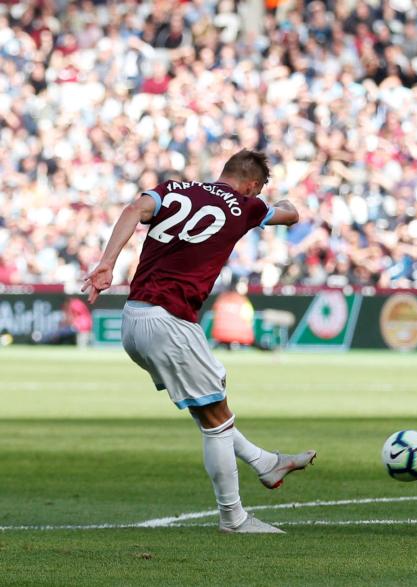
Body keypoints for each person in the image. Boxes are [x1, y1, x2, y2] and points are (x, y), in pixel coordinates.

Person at [82, 149, 316, 534]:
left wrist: (107, 262)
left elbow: (131, 211)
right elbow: (290, 214)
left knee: (209, 410)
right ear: (253, 185)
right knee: (216, 424)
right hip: (169, 321)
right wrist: (278, 202)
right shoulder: (247, 206)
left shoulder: (176, 189)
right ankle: (234, 519)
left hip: (134, 318)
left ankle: (266, 463)